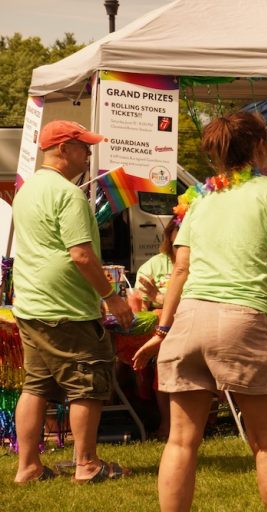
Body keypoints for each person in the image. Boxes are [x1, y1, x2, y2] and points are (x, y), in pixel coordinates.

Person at [131, 111, 267, 512]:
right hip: (241, 320)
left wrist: (162, 331)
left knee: (181, 441)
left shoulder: (200, 200)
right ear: (260, 145)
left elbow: (180, 271)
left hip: (187, 321)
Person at [12, 120, 134, 484]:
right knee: (87, 383)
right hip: (65, 309)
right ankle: (87, 464)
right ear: (63, 149)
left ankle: (28, 467)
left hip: (31, 304)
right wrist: (113, 298)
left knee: (36, 386)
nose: (90, 154)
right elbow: (81, 255)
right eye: (84, 147)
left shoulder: (27, 189)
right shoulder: (68, 194)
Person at [130, 220, 179, 439]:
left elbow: (194, 301)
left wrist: (158, 297)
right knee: (125, 357)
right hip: (157, 332)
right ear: (169, 237)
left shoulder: (203, 265)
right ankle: (139, 415)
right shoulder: (154, 265)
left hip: (184, 330)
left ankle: (168, 424)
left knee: (164, 359)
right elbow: (139, 304)